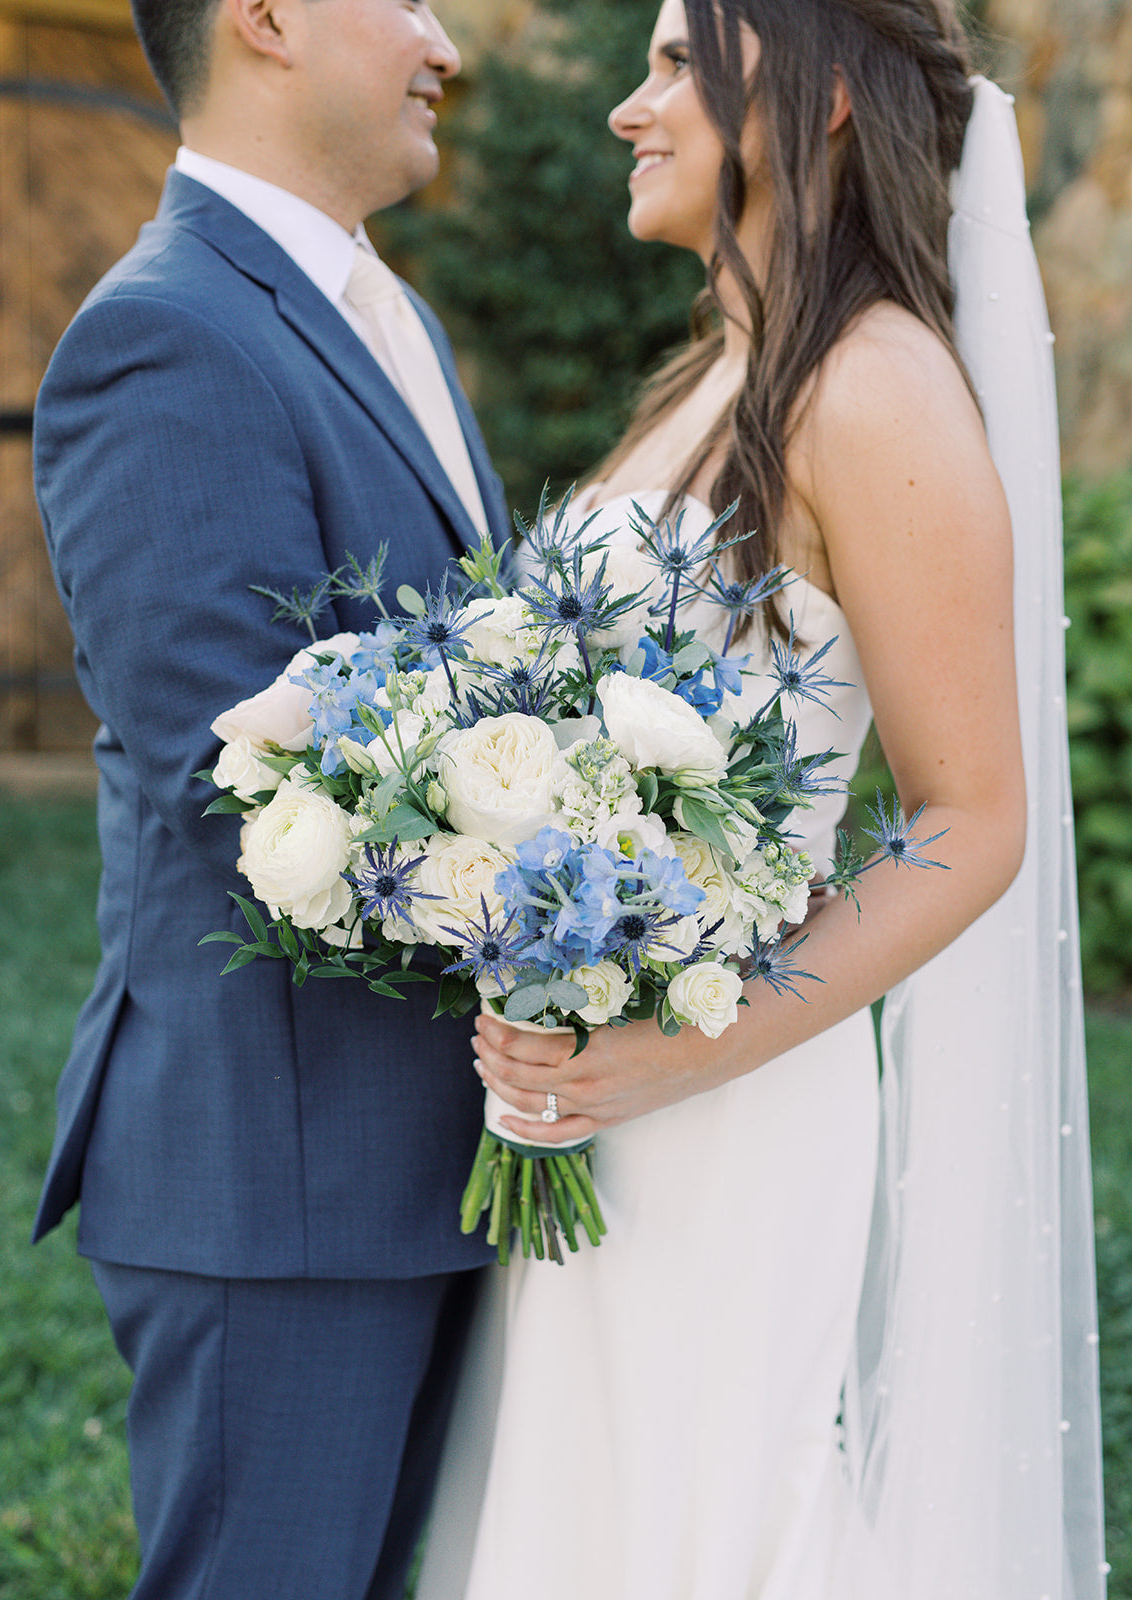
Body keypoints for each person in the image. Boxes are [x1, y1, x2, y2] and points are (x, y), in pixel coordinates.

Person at [415, 1, 1106, 1597]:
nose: (625, 109)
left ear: (826, 99)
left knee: (700, 1523)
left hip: (724, 1101)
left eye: (673, 64)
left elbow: (972, 822)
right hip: (592, 1087)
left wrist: (673, 1049)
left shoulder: (877, 394)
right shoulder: (716, 377)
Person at [31, 2, 508, 1597]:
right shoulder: (164, 330)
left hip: (427, 1161)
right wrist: (557, 871)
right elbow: (228, 786)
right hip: (281, 1179)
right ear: (268, 17)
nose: (447, 41)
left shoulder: (397, 319)